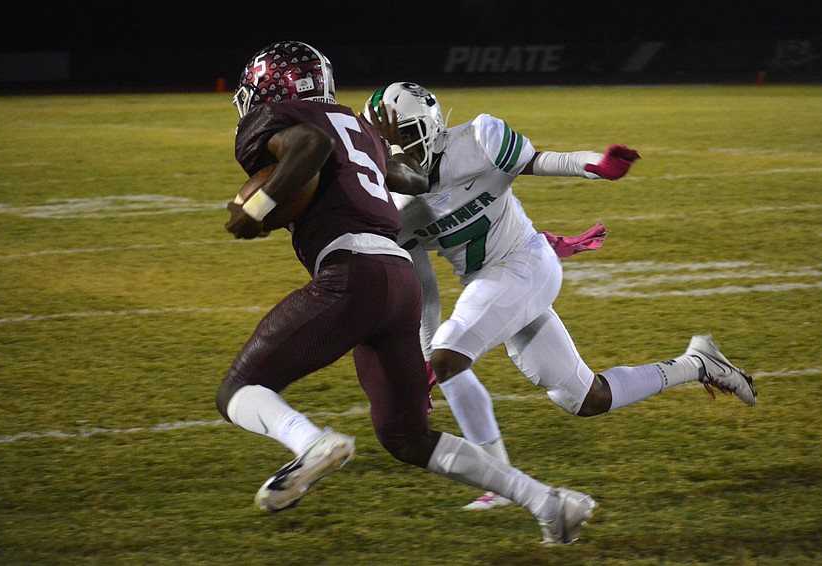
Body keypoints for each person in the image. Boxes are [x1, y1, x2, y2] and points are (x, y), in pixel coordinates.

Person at [215, 42, 597, 545]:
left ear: (274, 87)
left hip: (351, 272)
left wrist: (261, 205)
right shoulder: (355, 124)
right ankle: (548, 503)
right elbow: (414, 178)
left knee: (238, 391)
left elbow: (309, 145)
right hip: (399, 279)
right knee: (406, 438)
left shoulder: (278, 119)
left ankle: (310, 444)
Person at [361, 82, 757, 510]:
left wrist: (596, 166)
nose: (394, 146)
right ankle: (697, 363)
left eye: (402, 134)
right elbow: (424, 287)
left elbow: (541, 160)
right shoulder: (392, 204)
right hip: (489, 284)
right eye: (383, 138)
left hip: (526, 262)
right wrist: (422, 357)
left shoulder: (478, 139)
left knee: (450, 356)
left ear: (432, 128)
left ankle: (501, 486)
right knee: (586, 398)